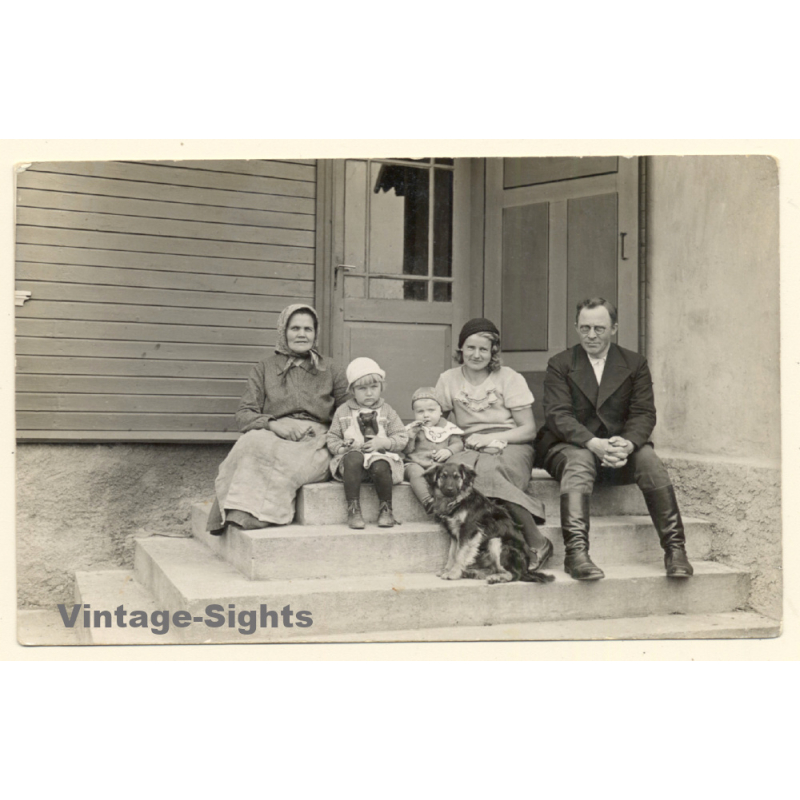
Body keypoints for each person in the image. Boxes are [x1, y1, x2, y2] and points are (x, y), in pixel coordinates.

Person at [534, 297, 693, 580]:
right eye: (584, 328)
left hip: (618, 451)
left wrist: (628, 443)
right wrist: (593, 443)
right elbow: (558, 416)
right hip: (568, 448)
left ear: (614, 328)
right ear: (575, 327)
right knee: (581, 458)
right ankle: (576, 554)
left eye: (599, 328)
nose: (591, 336)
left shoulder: (634, 363)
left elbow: (644, 413)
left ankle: (675, 550)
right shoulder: (560, 363)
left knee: (648, 458)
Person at [206, 304, 348, 535]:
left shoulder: (331, 369)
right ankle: (235, 512)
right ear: (283, 331)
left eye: (308, 329)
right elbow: (244, 414)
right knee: (249, 443)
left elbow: (348, 410)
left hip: (316, 440)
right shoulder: (264, 368)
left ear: (315, 333)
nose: (302, 334)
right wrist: (274, 424)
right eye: (295, 328)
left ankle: (263, 515)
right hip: (275, 433)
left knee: (284, 459)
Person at [434, 318, 553, 570]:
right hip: (470, 447)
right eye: (470, 348)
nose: (476, 355)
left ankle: (537, 542)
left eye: (483, 349)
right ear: (460, 349)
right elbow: (437, 424)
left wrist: (490, 439)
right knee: (459, 479)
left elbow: (528, 430)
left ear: (493, 352)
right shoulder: (448, 379)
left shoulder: (508, 378)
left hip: (512, 444)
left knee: (488, 475)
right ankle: (473, 550)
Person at [327, 357, 409, 529]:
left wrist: (384, 443)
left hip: (380, 466)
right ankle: (353, 509)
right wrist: (343, 447)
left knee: (380, 463)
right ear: (352, 390)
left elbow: (401, 436)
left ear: (381, 387)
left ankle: (386, 509)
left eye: (374, 387)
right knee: (353, 457)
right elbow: (332, 437)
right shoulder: (343, 411)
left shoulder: (387, 411)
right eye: (362, 388)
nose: (369, 393)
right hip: (352, 467)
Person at [403, 387, 465, 512]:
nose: (426, 415)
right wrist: (411, 436)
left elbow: (458, 444)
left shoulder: (449, 428)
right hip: (416, 463)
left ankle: (451, 504)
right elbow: (407, 450)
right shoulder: (414, 428)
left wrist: (449, 451)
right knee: (415, 474)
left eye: (431, 410)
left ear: (441, 411)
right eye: (420, 411)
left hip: (439, 466)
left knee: (447, 476)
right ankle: (427, 501)